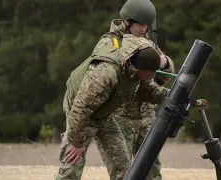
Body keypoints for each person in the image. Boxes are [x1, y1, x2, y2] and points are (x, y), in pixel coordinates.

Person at [54, 34, 170, 180]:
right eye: (151, 71)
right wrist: (76, 143)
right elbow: (80, 108)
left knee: (123, 166)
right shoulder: (105, 73)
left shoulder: (139, 72)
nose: (153, 75)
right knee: (71, 166)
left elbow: (148, 92)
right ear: (140, 67)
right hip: (81, 114)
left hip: (104, 114)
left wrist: (171, 96)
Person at [95, 0, 175, 179]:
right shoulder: (111, 43)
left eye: (146, 25)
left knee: (152, 171)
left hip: (146, 116)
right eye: (140, 24)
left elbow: (165, 74)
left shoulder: (146, 43)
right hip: (120, 117)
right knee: (122, 173)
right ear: (128, 21)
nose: (143, 29)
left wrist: (164, 63)